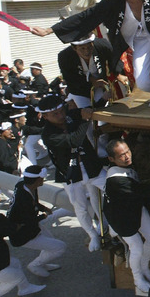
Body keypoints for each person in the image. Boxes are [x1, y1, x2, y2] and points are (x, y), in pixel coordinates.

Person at [39, 94, 106, 253]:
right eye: (55, 114)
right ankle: (92, 234)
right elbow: (74, 141)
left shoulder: (70, 116)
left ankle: (105, 226)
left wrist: (103, 98)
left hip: (90, 166)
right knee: (80, 206)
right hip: (71, 173)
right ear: (46, 116)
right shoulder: (48, 135)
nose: (61, 115)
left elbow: (89, 110)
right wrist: (85, 121)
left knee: (102, 195)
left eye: (62, 110)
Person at [103, 139, 150, 293]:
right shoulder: (116, 180)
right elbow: (140, 190)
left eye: (128, 151)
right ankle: (137, 278)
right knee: (137, 248)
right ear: (111, 159)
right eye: (121, 155)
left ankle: (144, 267)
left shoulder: (126, 166)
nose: (127, 156)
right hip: (121, 218)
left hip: (134, 208)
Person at [7, 165, 67, 277]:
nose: (43, 180)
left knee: (50, 242)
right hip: (22, 234)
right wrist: (43, 216)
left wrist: (43, 208)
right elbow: (28, 219)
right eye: (42, 179)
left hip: (30, 226)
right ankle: (35, 265)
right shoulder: (23, 198)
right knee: (60, 247)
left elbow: (34, 203)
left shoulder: (24, 186)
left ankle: (43, 263)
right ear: (38, 180)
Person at [57, 33, 114, 109]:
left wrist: (117, 73)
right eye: (82, 48)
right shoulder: (64, 57)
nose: (87, 52)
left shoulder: (102, 45)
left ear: (93, 43)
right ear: (74, 48)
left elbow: (114, 59)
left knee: (103, 110)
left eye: (89, 47)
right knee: (87, 111)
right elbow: (70, 79)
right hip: (79, 89)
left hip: (100, 85)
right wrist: (91, 80)